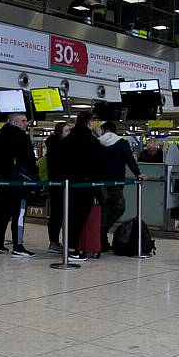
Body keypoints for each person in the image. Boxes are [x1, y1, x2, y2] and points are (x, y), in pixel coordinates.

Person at [0, 112, 37, 258]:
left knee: (2, 213)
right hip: (19, 182)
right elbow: (29, 159)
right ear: (15, 122)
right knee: (19, 214)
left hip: (2, 182)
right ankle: (18, 246)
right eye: (23, 120)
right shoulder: (21, 136)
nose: (26, 123)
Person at [99, 121, 148, 254]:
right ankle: (101, 235)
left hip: (100, 183)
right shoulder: (121, 143)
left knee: (104, 210)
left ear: (105, 129)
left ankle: (101, 237)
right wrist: (138, 173)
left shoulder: (97, 142)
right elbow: (129, 160)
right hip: (116, 183)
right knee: (118, 208)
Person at [60, 112, 102, 261]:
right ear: (90, 122)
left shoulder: (67, 140)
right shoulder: (92, 141)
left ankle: (68, 247)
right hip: (85, 185)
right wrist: (98, 191)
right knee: (80, 218)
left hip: (68, 185)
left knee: (70, 216)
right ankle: (74, 250)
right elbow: (96, 168)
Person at [45, 122, 70, 254]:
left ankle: (57, 241)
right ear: (60, 132)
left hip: (60, 183)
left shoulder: (55, 145)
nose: (68, 133)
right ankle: (53, 242)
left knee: (60, 213)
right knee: (57, 214)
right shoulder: (57, 147)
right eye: (66, 131)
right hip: (57, 184)